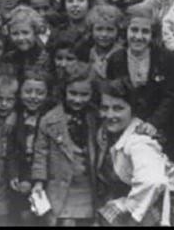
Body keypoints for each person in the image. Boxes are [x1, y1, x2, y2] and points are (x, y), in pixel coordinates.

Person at [95, 78, 174, 226]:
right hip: (143, 196)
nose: (109, 115)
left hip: (160, 202)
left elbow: (152, 181)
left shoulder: (139, 141)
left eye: (118, 108)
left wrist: (133, 218)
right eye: (104, 108)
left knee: (110, 216)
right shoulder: (107, 134)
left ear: (133, 110)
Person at [106, 1, 174, 143]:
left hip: (160, 125)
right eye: (134, 30)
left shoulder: (165, 58)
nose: (139, 37)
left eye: (145, 32)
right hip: (126, 125)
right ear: (126, 31)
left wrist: (154, 122)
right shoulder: (116, 59)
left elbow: (171, 95)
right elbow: (113, 96)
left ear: (152, 34)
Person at [31, 62, 99, 226]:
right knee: (65, 221)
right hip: (61, 185)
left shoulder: (96, 117)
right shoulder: (49, 119)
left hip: (88, 184)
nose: (77, 99)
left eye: (84, 95)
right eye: (73, 93)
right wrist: (39, 182)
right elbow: (41, 153)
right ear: (63, 91)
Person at [8, 68, 54, 225]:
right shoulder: (16, 117)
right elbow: (12, 148)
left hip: (46, 174)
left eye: (40, 93)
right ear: (20, 93)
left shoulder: (51, 118)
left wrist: (35, 180)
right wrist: (14, 174)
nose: (33, 97)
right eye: (28, 91)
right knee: (23, 215)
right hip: (21, 172)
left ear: (47, 95)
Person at [3, 6, 52, 80]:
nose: (20, 38)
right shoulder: (8, 59)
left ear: (35, 32)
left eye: (25, 33)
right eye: (15, 34)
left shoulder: (46, 58)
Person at [85, 4, 125, 80]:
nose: (104, 34)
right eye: (99, 29)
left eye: (110, 29)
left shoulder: (122, 55)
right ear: (91, 30)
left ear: (118, 31)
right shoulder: (88, 53)